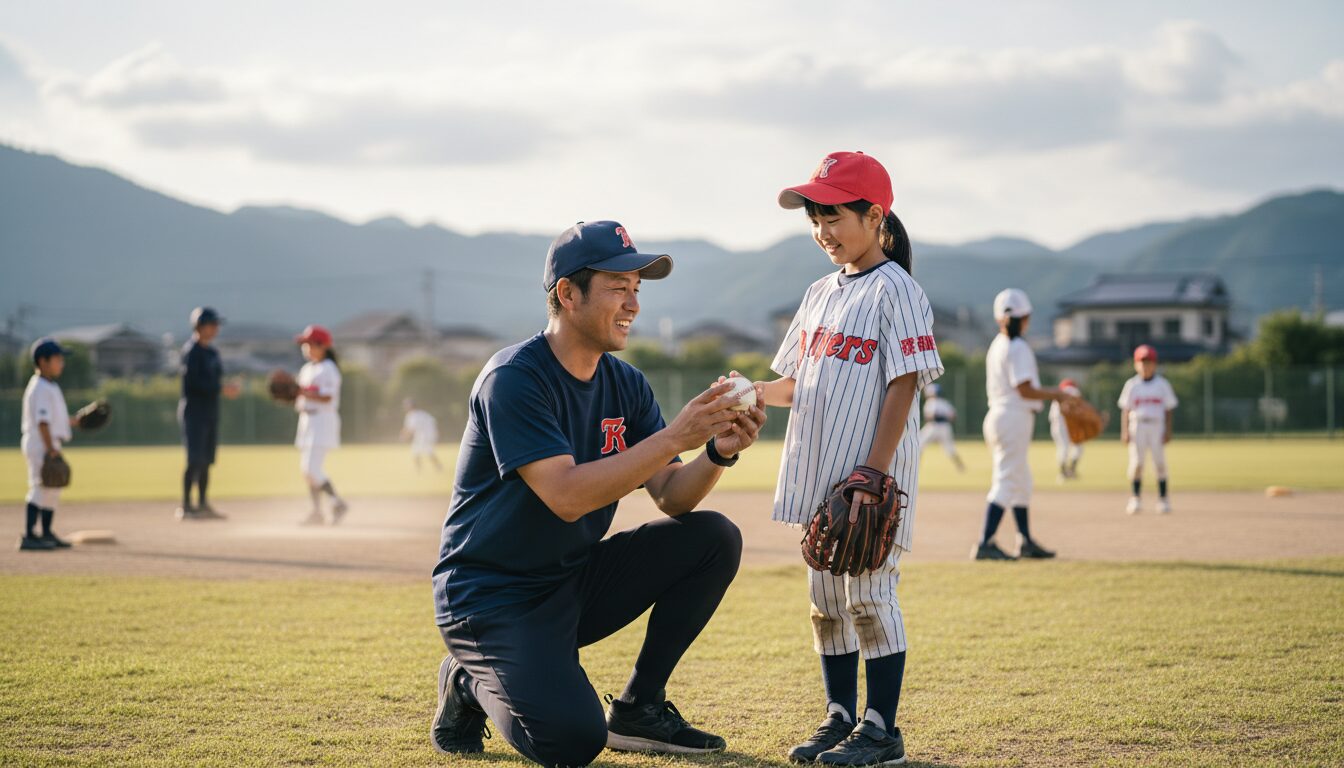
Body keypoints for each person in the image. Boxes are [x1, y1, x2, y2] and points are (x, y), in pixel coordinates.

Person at [429, 220, 766, 767]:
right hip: (492, 597)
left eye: (638, 288)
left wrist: (717, 452)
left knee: (712, 537)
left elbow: (673, 498)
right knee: (571, 742)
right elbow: (564, 495)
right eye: (618, 286)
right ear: (567, 292)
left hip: (570, 578)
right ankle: (467, 680)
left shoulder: (626, 382)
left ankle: (639, 707)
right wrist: (677, 433)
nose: (633, 302)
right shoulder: (515, 378)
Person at [757, 151, 942, 766]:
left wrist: (874, 470)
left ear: (874, 214)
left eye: (834, 215)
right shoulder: (818, 294)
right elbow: (794, 384)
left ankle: (882, 729)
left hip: (867, 475)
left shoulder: (899, 290)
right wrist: (749, 392)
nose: (823, 230)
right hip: (818, 477)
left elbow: (906, 381)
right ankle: (839, 718)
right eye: (815, 217)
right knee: (826, 600)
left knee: (870, 596)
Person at [973, 288, 1076, 562]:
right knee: (1007, 480)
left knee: (1021, 481)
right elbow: (1026, 390)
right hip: (1013, 417)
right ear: (1026, 317)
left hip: (999, 415)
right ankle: (985, 542)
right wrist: (1058, 393)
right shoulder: (1018, 347)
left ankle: (1025, 541)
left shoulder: (998, 343)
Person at [176, 307, 240, 521]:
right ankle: (186, 506)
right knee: (194, 459)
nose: (216, 328)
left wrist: (225, 387)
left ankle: (203, 504)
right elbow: (192, 384)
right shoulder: (191, 351)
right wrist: (220, 389)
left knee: (206, 460)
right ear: (200, 326)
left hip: (210, 411)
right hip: (193, 412)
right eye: (212, 324)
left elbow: (215, 381)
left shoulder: (212, 352)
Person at [18, 338, 77, 551]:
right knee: (40, 486)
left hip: (49, 442)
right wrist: (50, 449)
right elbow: (42, 422)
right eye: (57, 359)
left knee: (53, 488)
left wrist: (75, 421)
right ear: (43, 361)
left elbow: (53, 419)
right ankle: (29, 535)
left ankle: (46, 533)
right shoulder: (40, 387)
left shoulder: (49, 385)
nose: (61, 363)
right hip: (40, 443)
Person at [294, 325, 349, 525]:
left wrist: (301, 392)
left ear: (323, 345)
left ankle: (337, 502)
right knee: (307, 470)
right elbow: (301, 396)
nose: (306, 347)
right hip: (307, 420)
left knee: (311, 469)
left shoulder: (329, 369)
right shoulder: (307, 369)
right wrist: (290, 394)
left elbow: (327, 397)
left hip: (323, 421)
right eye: (305, 344)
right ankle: (317, 511)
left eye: (310, 343)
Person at [1119, 345, 1178, 514]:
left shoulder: (1162, 384)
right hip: (1137, 425)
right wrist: (1124, 431)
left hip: (1156, 426)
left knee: (1159, 463)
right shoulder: (1131, 385)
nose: (1145, 365)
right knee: (1137, 463)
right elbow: (1126, 409)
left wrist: (1168, 430)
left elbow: (1168, 409)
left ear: (1154, 364)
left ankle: (1163, 499)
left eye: (1149, 362)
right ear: (1136, 364)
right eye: (1142, 362)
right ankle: (1135, 498)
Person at [918, 383, 964, 471]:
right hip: (945, 427)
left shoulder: (930, 402)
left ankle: (916, 465)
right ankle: (960, 466)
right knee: (950, 448)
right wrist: (944, 417)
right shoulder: (944, 402)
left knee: (919, 444)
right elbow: (953, 416)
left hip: (933, 426)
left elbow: (929, 417)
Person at [1048, 378, 1084, 481]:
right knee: (1073, 446)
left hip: (1059, 424)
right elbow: (1078, 403)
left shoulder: (1059, 394)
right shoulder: (1072, 390)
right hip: (1066, 423)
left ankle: (1066, 472)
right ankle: (1068, 472)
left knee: (1064, 447)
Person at [400, 398, 442, 472]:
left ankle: (420, 470)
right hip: (426, 435)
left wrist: (404, 437)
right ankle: (436, 467)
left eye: (406, 405)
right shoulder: (421, 413)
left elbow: (411, 429)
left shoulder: (412, 415)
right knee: (423, 451)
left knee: (419, 451)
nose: (405, 407)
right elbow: (433, 421)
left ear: (411, 406)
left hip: (424, 436)